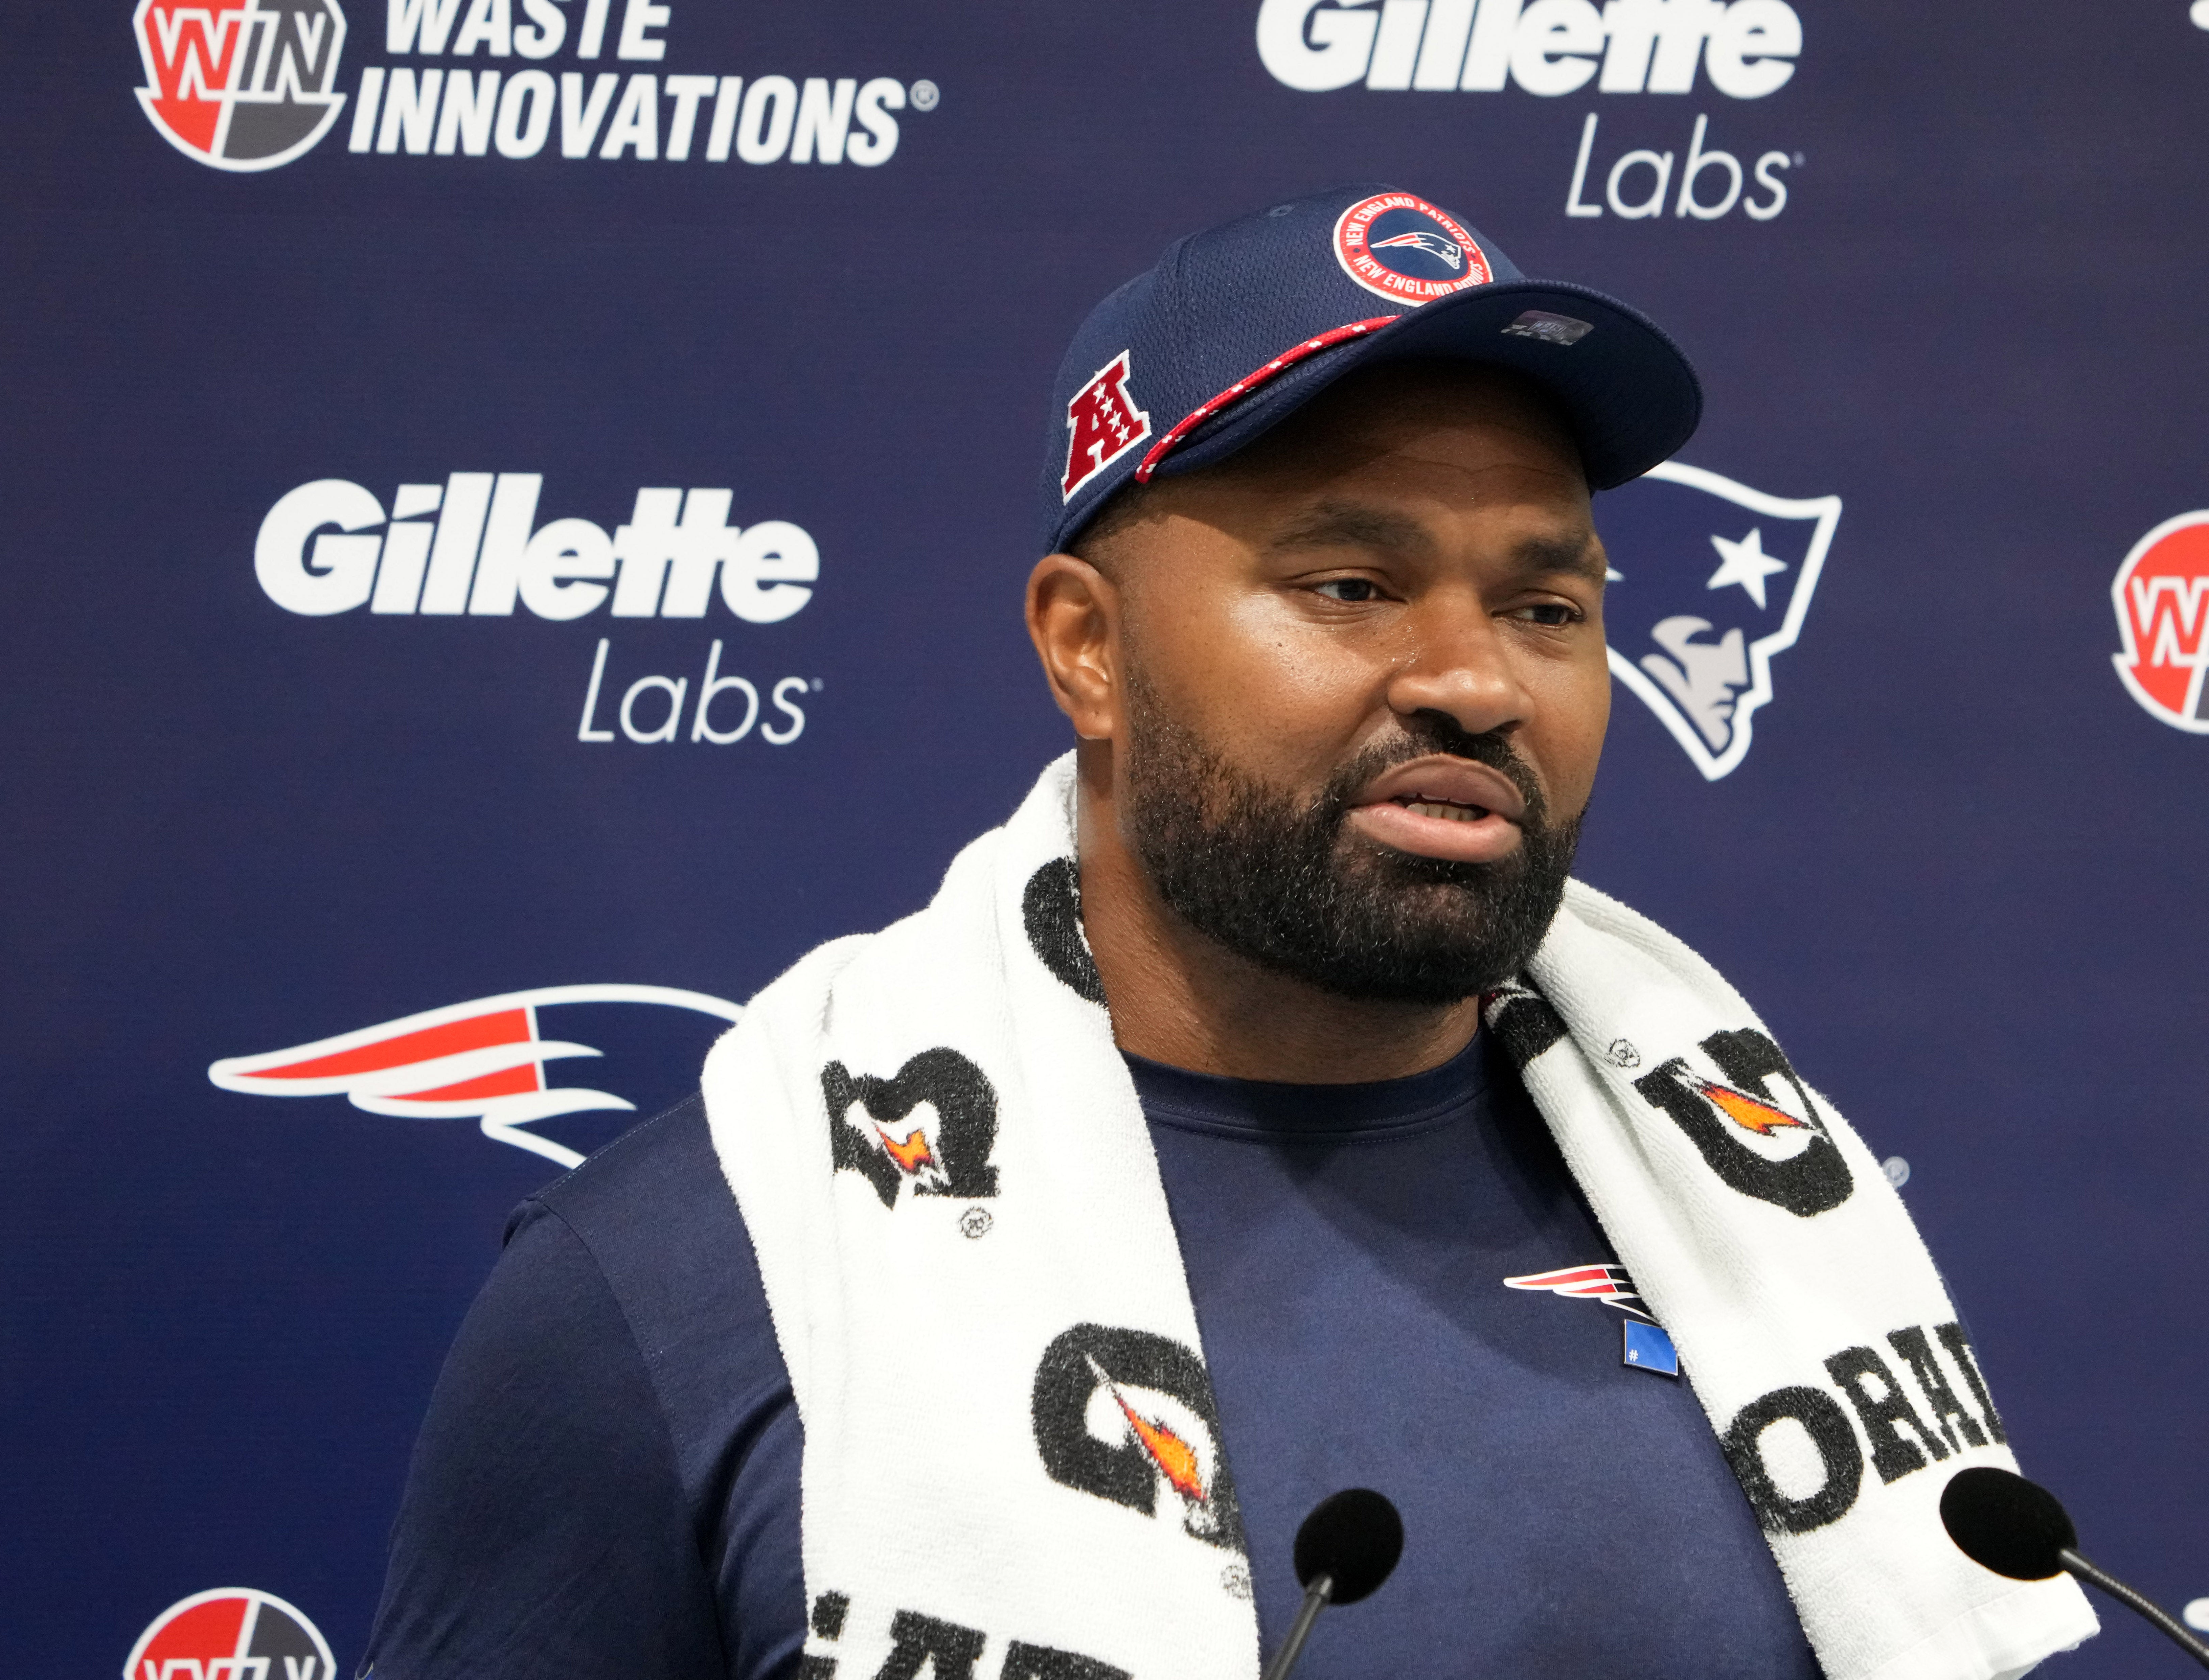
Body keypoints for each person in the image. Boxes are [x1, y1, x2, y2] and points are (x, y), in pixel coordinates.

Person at [363, 187, 2092, 1680]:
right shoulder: (679, 1281)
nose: (1475, 679)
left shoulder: (1768, 1219)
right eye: (1348, 585)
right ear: (1086, 647)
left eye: (1547, 605)